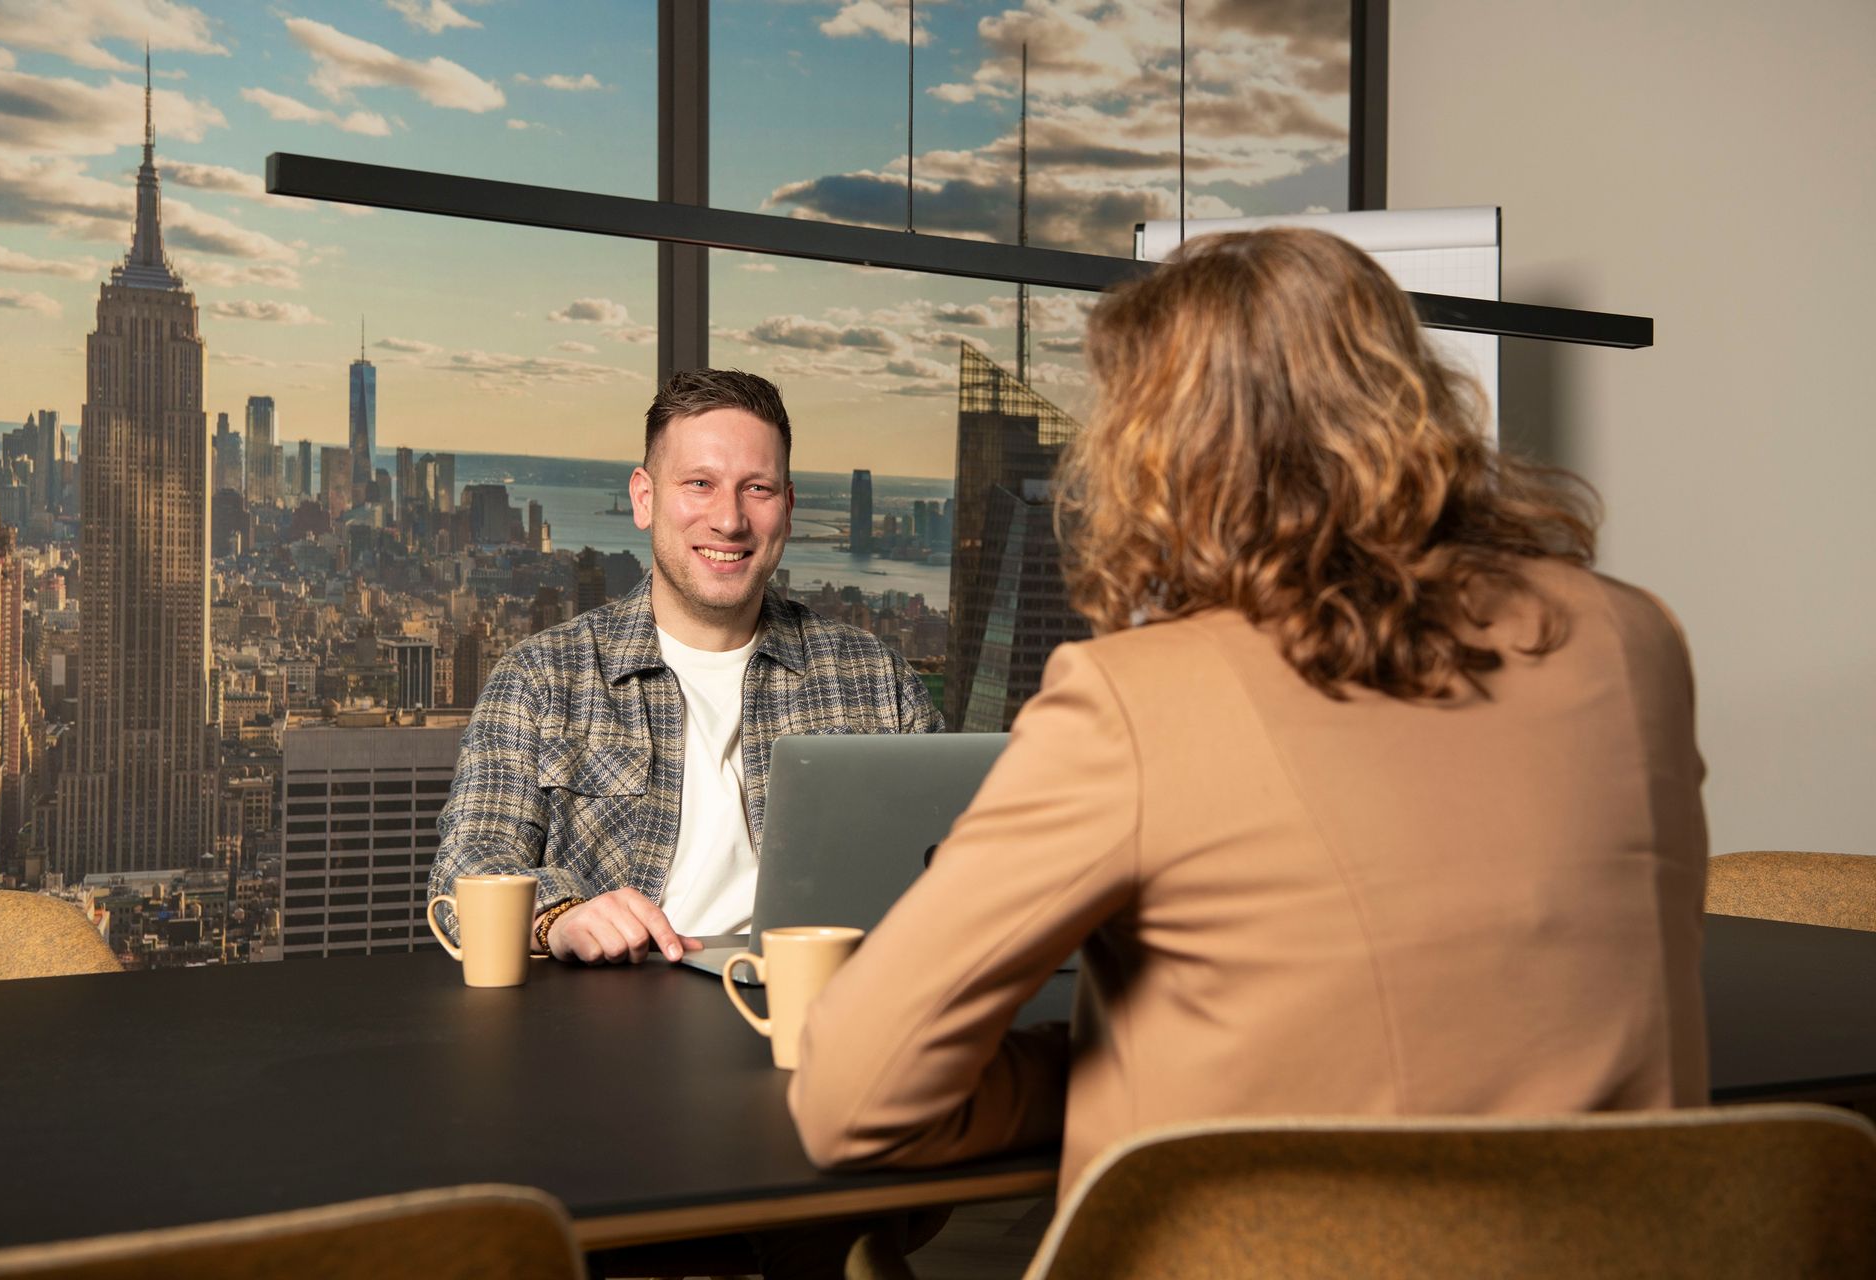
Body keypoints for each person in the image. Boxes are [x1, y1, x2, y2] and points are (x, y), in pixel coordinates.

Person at [787, 228, 1709, 1194]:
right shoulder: (1634, 642)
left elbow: (851, 1100)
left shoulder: (1136, 700)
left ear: (1162, 456)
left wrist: (1103, 1077)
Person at [431, 368, 941, 962]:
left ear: (789, 507)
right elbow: (466, 867)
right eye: (700, 483)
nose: (729, 520)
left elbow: (958, 862)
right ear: (644, 499)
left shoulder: (877, 681)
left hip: (830, 1006)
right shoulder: (542, 678)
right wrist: (561, 917)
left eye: (758, 489)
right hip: (617, 1020)